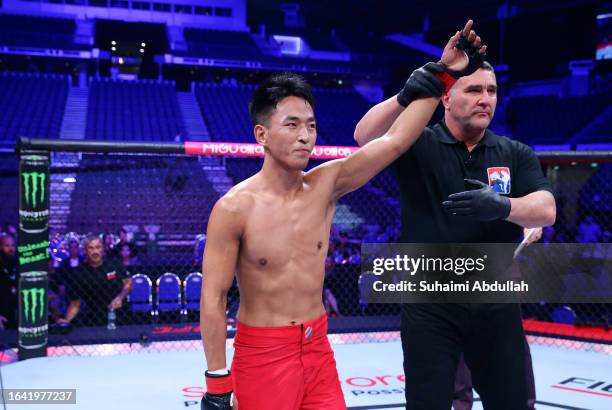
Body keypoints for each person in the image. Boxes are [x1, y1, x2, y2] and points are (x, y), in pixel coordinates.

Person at [199, 20, 486, 410]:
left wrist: (444, 73)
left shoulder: (325, 185)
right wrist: (217, 380)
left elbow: (396, 140)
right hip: (262, 354)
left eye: (312, 125)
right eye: (293, 124)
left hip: (318, 348)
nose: (306, 135)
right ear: (261, 135)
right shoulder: (233, 208)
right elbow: (213, 298)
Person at [354, 32, 556, 409]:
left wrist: (503, 206)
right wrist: (428, 79)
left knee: (511, 401)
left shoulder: (515, 152)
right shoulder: (417, 142)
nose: (486, 99)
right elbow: (365, 135)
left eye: (492, 91)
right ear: (446, 97)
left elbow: (546, 208)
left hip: (495, 303)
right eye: (474, 90)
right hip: (430, 303)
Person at [58, 235, 133, 327]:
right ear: (85, 251)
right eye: (91, 248)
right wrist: (67, 320)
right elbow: (75, 303)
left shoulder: (114, 264)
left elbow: (129, 284)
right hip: (93, 316)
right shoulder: (79, 273)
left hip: (121, 313)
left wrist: (120, 297)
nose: (95, 251)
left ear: (103, 249)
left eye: (98, 247)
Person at [0, 233, 18, 329]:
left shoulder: (17, 263)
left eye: (13, 246)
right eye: (7, 246)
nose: (11, 249)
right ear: (1, 246)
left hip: (14, 308)